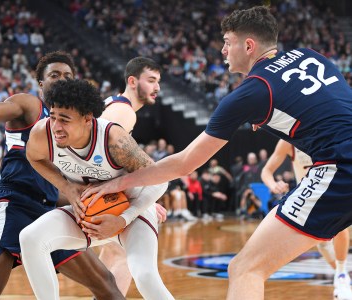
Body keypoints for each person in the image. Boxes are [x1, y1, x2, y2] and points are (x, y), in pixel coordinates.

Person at [81, 6, 352, 299]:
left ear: (248, 46)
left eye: (227, 41)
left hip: (340, 168)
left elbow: (185, 163)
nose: (222, 49)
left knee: (245, 269)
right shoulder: (310, 55)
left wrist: (117, 183)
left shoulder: (251, 92)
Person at [0, 52, 123, 300]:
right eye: (54, 75)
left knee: (106, 284)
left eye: (67, 76)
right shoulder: (30, 105)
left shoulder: (75, 124)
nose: (61, 79)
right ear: (41, 84)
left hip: (48, 209)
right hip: (15, 203)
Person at [19, 79, 173, 300]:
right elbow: (34, 158)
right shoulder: (43, 134)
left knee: (145, 276)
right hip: (88, 214)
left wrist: (124, 219)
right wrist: (67, 187)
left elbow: (160, 180)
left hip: (131, 212)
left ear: (87, 119)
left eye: (64, 119)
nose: (56, 126)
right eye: (52, 117)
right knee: (30, 238)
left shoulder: (113, 139)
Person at [98, 56, 167, 295]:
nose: (157, 87)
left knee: (110, 257)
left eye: (158, 81)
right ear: (132, 81)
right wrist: (139, 198)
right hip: (102, 193)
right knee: (125, 260)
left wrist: (145, 198)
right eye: (151, 80)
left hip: (103, 190)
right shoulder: (124, 112)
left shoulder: (115, 106)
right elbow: (104, 157)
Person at [261, 139, 352, 299]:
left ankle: (342, 275)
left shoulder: (333, 131)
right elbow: (266, 171)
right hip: (310, 199)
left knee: (339, 226)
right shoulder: (288, 142)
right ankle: (341, 273)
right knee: (324, 246)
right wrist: (273, 184)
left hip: (335, 192)